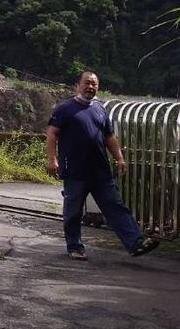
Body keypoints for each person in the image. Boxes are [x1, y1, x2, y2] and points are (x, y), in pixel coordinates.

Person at [45, 70, 158, 261]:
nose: (90, 87)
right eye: (87, 83)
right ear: (78, 85)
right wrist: (52, 159)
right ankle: (75, 247)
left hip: (100, 171)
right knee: (73, 211)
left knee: (115, 206)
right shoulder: (65, 108)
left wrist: (119, 158)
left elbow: (109, 137)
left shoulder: (100, 109)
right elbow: (52, 134)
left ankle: (135, 243)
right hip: (75, 170)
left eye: (94, 84)